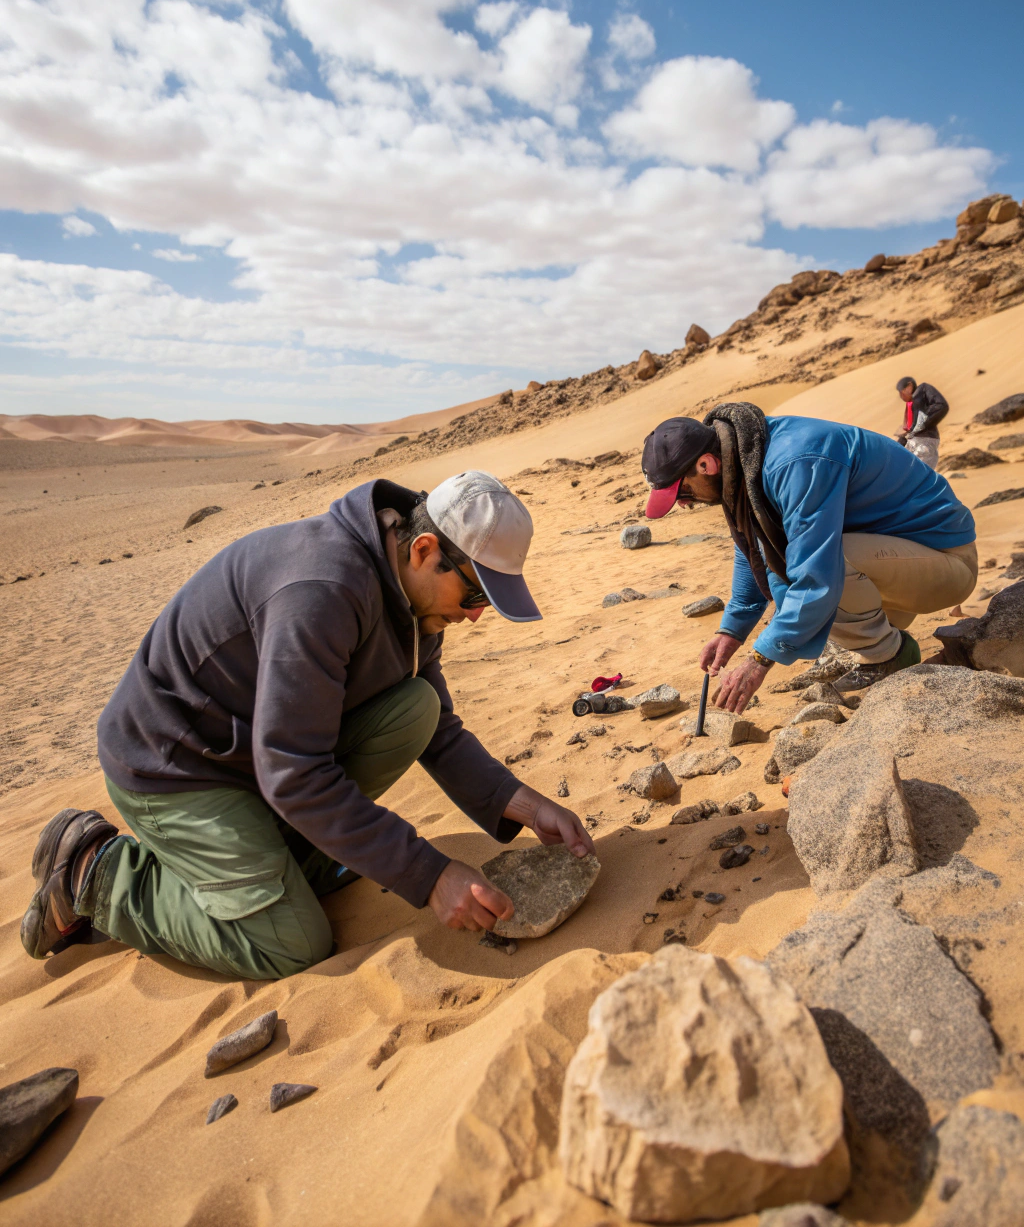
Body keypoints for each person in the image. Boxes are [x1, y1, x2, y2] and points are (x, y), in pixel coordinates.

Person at [22, 471, 594, 980]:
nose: (475, 614)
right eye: (474, 593)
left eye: (487, 603)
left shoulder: (413, 598)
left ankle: (287, 855)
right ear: (423, 550)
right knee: (291, 944)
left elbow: (438, 730)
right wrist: (428, 876)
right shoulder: (321, 591)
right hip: (177, 767)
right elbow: (294, 774)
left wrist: (526, 804)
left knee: (414, 707)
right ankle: (96, 873)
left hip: (258, 755)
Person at [642, 404, 977, 709]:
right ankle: (877, 639)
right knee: (800, 594)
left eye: (682, 491)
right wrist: (732, 630)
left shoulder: (794, 463)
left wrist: (759, 660)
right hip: (900, 565)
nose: (683, 504)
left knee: (811, 572)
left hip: (947, 563)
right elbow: (753, 551)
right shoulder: (748, 457)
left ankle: (889, 657)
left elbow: (816, 577)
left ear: (706, 464)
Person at [895, 376, 948, 471]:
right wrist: (897, 446)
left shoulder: (923, 389)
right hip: (913, 441)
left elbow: (941, 405)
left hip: (925, 440)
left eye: (902, 391)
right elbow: (909, 429)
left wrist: (922, 421)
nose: (901, 396)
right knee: (903, 469)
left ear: (910, 386)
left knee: (918, 471)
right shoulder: (910, 405)